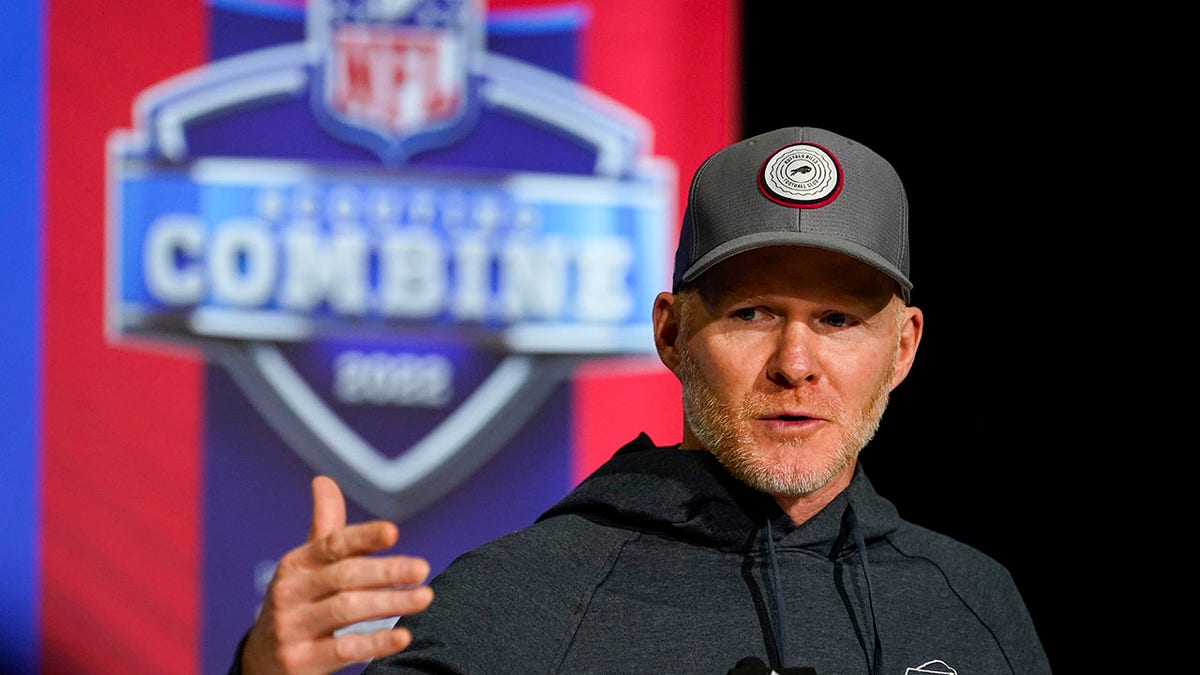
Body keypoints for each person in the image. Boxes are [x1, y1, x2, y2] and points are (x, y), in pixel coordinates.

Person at [232, 127, 1052, 674]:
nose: (794, 363)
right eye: (752, 313)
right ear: (672, 334)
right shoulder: (519, 600)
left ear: (903, 348)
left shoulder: (975, 604)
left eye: (837, 320)